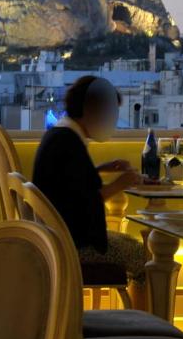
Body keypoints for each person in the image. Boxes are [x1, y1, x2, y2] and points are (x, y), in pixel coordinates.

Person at [32, 76, 147, 305]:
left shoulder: (60, 134)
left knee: (134, 246)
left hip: (53, 238)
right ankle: (144, 328)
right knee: (145, 258)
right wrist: (121, 184)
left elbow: (68, 185)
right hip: (74, 246)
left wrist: (102, 169)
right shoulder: (69, 142)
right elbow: (85, 203)